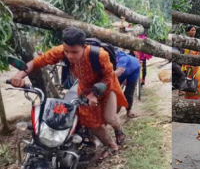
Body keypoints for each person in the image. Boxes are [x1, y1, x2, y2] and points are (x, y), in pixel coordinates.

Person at [9, 27, 127, 162]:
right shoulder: (61, 51)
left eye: (75, 52)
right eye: (67, 51)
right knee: (91, 123)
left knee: (110, 117)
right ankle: (111, 145)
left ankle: (118, 130)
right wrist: (19, 75)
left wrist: (94, 93)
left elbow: (108, 76)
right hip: (84, 90)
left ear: (84, 46)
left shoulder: (100, 55)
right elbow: (36, 62)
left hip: (106, 87)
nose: (70, 56)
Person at [115, 49, 141, 118]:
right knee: (114, 91)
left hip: (133, 70)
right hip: (120, 74)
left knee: (129, 93)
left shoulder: (122, 57)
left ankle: (129, 110)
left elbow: (119, 71)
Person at [182, 26, 200, 99]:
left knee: (198, 79)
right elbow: (187, 52)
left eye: (194, 30)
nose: (193, 32)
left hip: (197, 64)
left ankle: (197, 96)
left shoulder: (196, 40)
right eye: (192, 30)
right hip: (190, 64)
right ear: (188, 31)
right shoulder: (186, 40)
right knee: (189, 80)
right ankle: (190, 96)